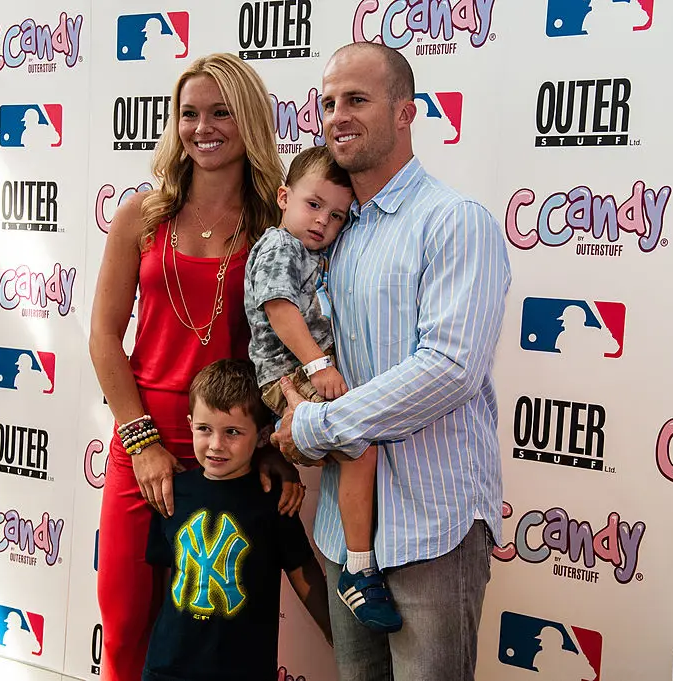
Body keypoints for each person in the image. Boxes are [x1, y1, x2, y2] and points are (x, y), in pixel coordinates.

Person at [271, 42, 511, 680]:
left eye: (357, 99)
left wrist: (318, 425)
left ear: (406, 112)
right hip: (343, 530)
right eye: (328, 103)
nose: (338, 115)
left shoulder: (454, 221)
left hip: (433, 525)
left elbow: (450, 367)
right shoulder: (332, 231)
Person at [89, 52, 301, 680]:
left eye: (221, 112)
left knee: (213, 642)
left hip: (228, 448)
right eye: (189, 113)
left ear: (250, 121)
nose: (202, 128)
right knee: (125, 625)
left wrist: (266, 442)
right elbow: (103, 338)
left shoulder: (275, 227)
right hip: (142, 440)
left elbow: (283, 349)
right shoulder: (140, 216)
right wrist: (142, 442)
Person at [245, 145, 400, 632]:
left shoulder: (313, 252)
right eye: (313, 205)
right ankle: (359, 570)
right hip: (288, 376)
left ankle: (362, 560)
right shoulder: (279, 246)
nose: (322, 222)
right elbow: (278, 308)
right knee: (360, 449)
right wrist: (317, 365)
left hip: (301, 372)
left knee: (361, 452)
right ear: (283, 197)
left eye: (336, 216)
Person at [143, 359, 331, 681]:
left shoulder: (273, 501)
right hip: (168, 668)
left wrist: (335, 634)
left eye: (232, 432)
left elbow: (303, 571)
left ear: (261, 436)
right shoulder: (172, 494)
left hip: (244, 669)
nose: (216, 445)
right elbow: (165, 577)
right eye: (205, 429)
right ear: (190, 424)